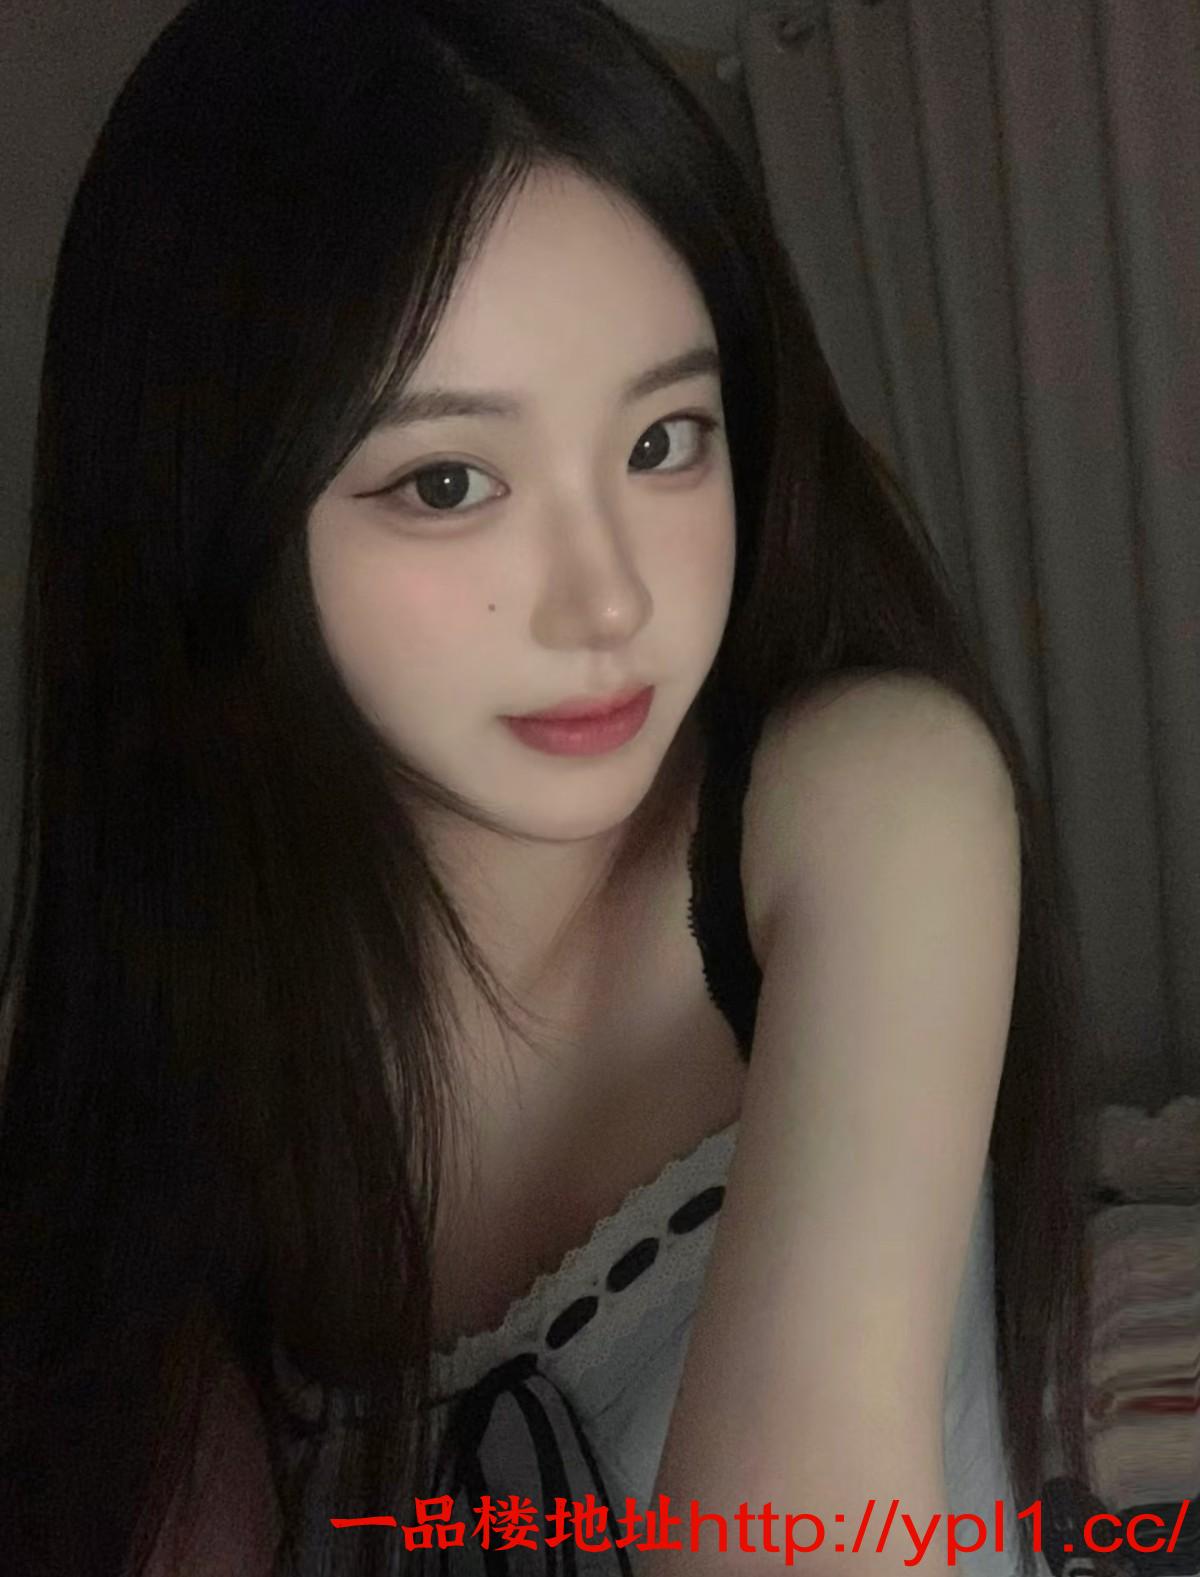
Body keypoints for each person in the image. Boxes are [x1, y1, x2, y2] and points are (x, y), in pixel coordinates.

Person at [0, 0, 1100, 1573]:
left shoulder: (861, 804)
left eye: (665, 441)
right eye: (450, 481)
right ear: (206, 516)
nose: (609, 599)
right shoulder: (144, 1035)